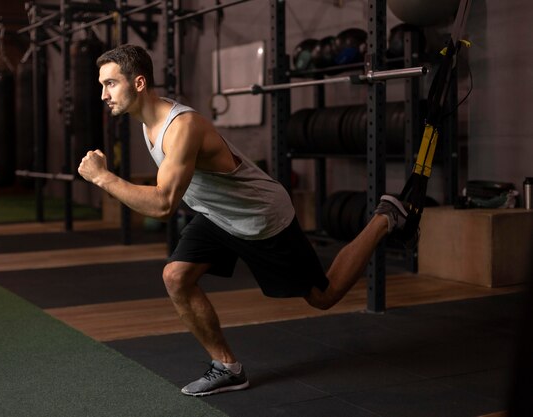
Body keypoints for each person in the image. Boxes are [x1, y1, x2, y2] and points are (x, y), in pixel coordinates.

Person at [78, 44, 414, 397]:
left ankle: (383, 217)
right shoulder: (147, 123)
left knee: (323, 295)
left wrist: (103, 178)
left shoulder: (181, 126)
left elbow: (163, 204)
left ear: (140, 83)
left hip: (259, 216)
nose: (103, 94)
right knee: (176, 276)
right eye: (102, 85)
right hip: (218, 215)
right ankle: (228, 368)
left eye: (110, 84)